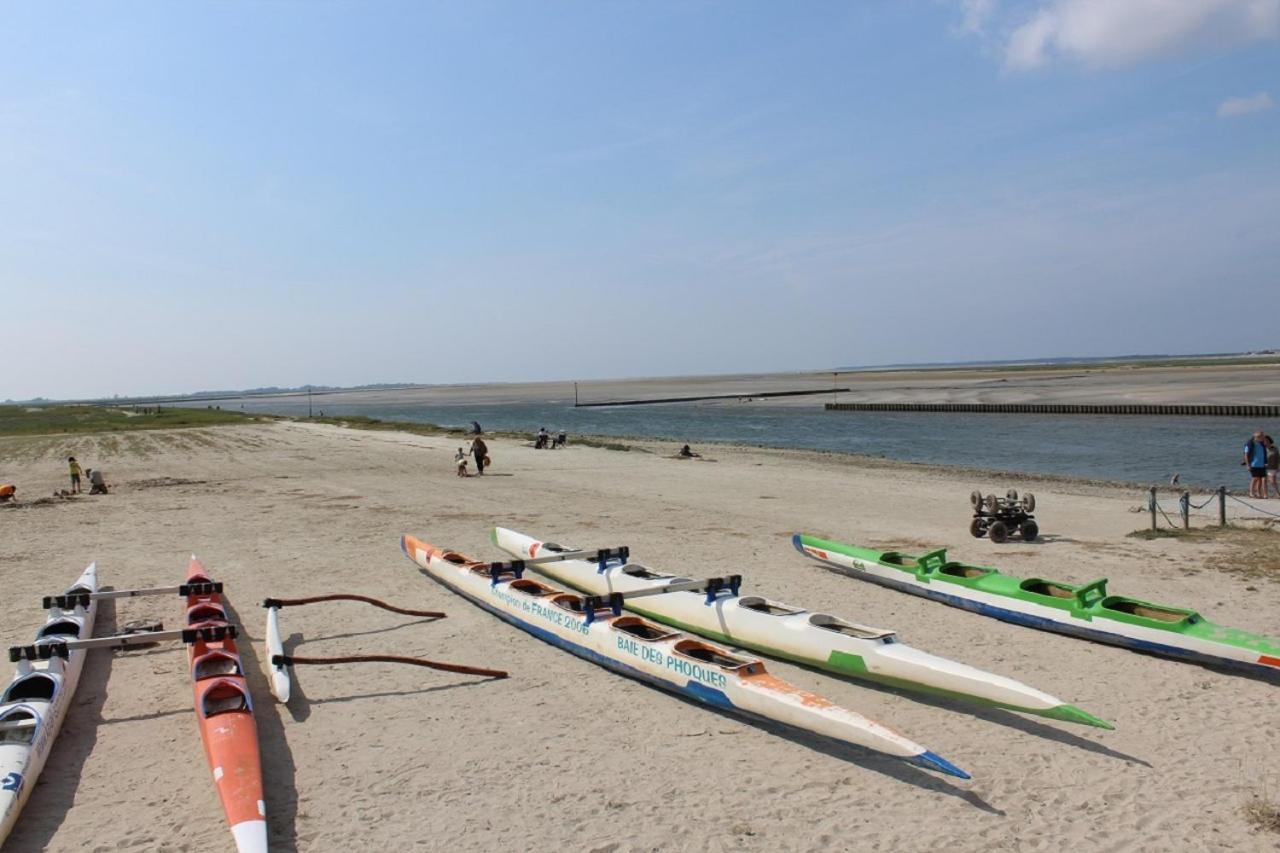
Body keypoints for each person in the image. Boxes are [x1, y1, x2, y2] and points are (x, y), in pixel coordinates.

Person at [1244, 430, 1268, 498]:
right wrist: (1248, 465)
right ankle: (1251, 492)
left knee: (1260, 479)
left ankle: (1258, 493)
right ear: (1257, 437)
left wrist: (1266, 462)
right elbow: (1246, 454)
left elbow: (1264, 454)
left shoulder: (1262, 444)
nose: (1263, 438)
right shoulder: (1250, 444)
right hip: (1254, 464)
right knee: (1255, 478)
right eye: (1262, 437)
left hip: (1262, 464)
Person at [1266, 435, 1279, 499]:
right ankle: (1276, 493)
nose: (1266, 442)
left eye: (1267, 441)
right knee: (1268, 480)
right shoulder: (1263, 449)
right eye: (1264, 441)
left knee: (1272, 481)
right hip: (1265, 467)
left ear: (1270, 441)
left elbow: (1278, 458)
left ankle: (1277, 493)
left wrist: (1279, 466)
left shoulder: (1275, 448)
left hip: (1273, 467)